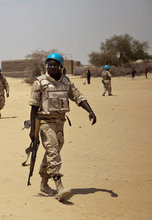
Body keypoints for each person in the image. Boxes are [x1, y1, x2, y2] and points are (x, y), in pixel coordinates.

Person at [29, 53, 96, 202]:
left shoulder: (66, 82)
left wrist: (90, 111)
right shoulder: (40, 82)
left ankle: (44, 183)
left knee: (54, 151)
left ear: (60, 66)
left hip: (60, 122)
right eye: (49, 64)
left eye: (55, 64)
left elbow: (78, 97)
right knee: (53, 151)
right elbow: (33, 108)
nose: (52, 67)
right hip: (45, 122)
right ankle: (59, 186)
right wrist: (32, 129)